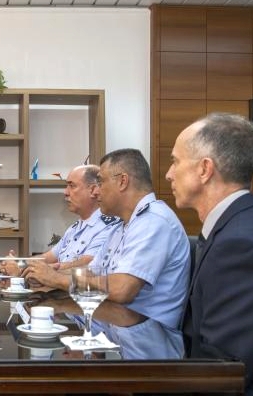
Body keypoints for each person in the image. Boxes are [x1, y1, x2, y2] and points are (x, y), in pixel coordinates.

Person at [166, 112, 253, 394]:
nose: (169, 173)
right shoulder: (241, 228)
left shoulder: (241, 245)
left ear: (205, 169)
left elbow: (221, 372)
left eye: (175, 161)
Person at [80, 148, 190, 359]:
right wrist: (45, 277)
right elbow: (90, 273)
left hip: (149, 360)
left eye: (100, 182)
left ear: (122, 181)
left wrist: (56, 280)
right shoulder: (122, 227)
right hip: (119, 348)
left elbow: (122, 290)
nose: (94, 192)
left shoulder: (154, 222)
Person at [0, 165, 119, 290]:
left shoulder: (109, 226)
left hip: (80, 297)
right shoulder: (74, 228)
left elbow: (89, 265)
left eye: (72, 186)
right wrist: (19, 262)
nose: (65, 192)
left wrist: (25, 268)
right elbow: (49, 257)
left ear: (93, 190)